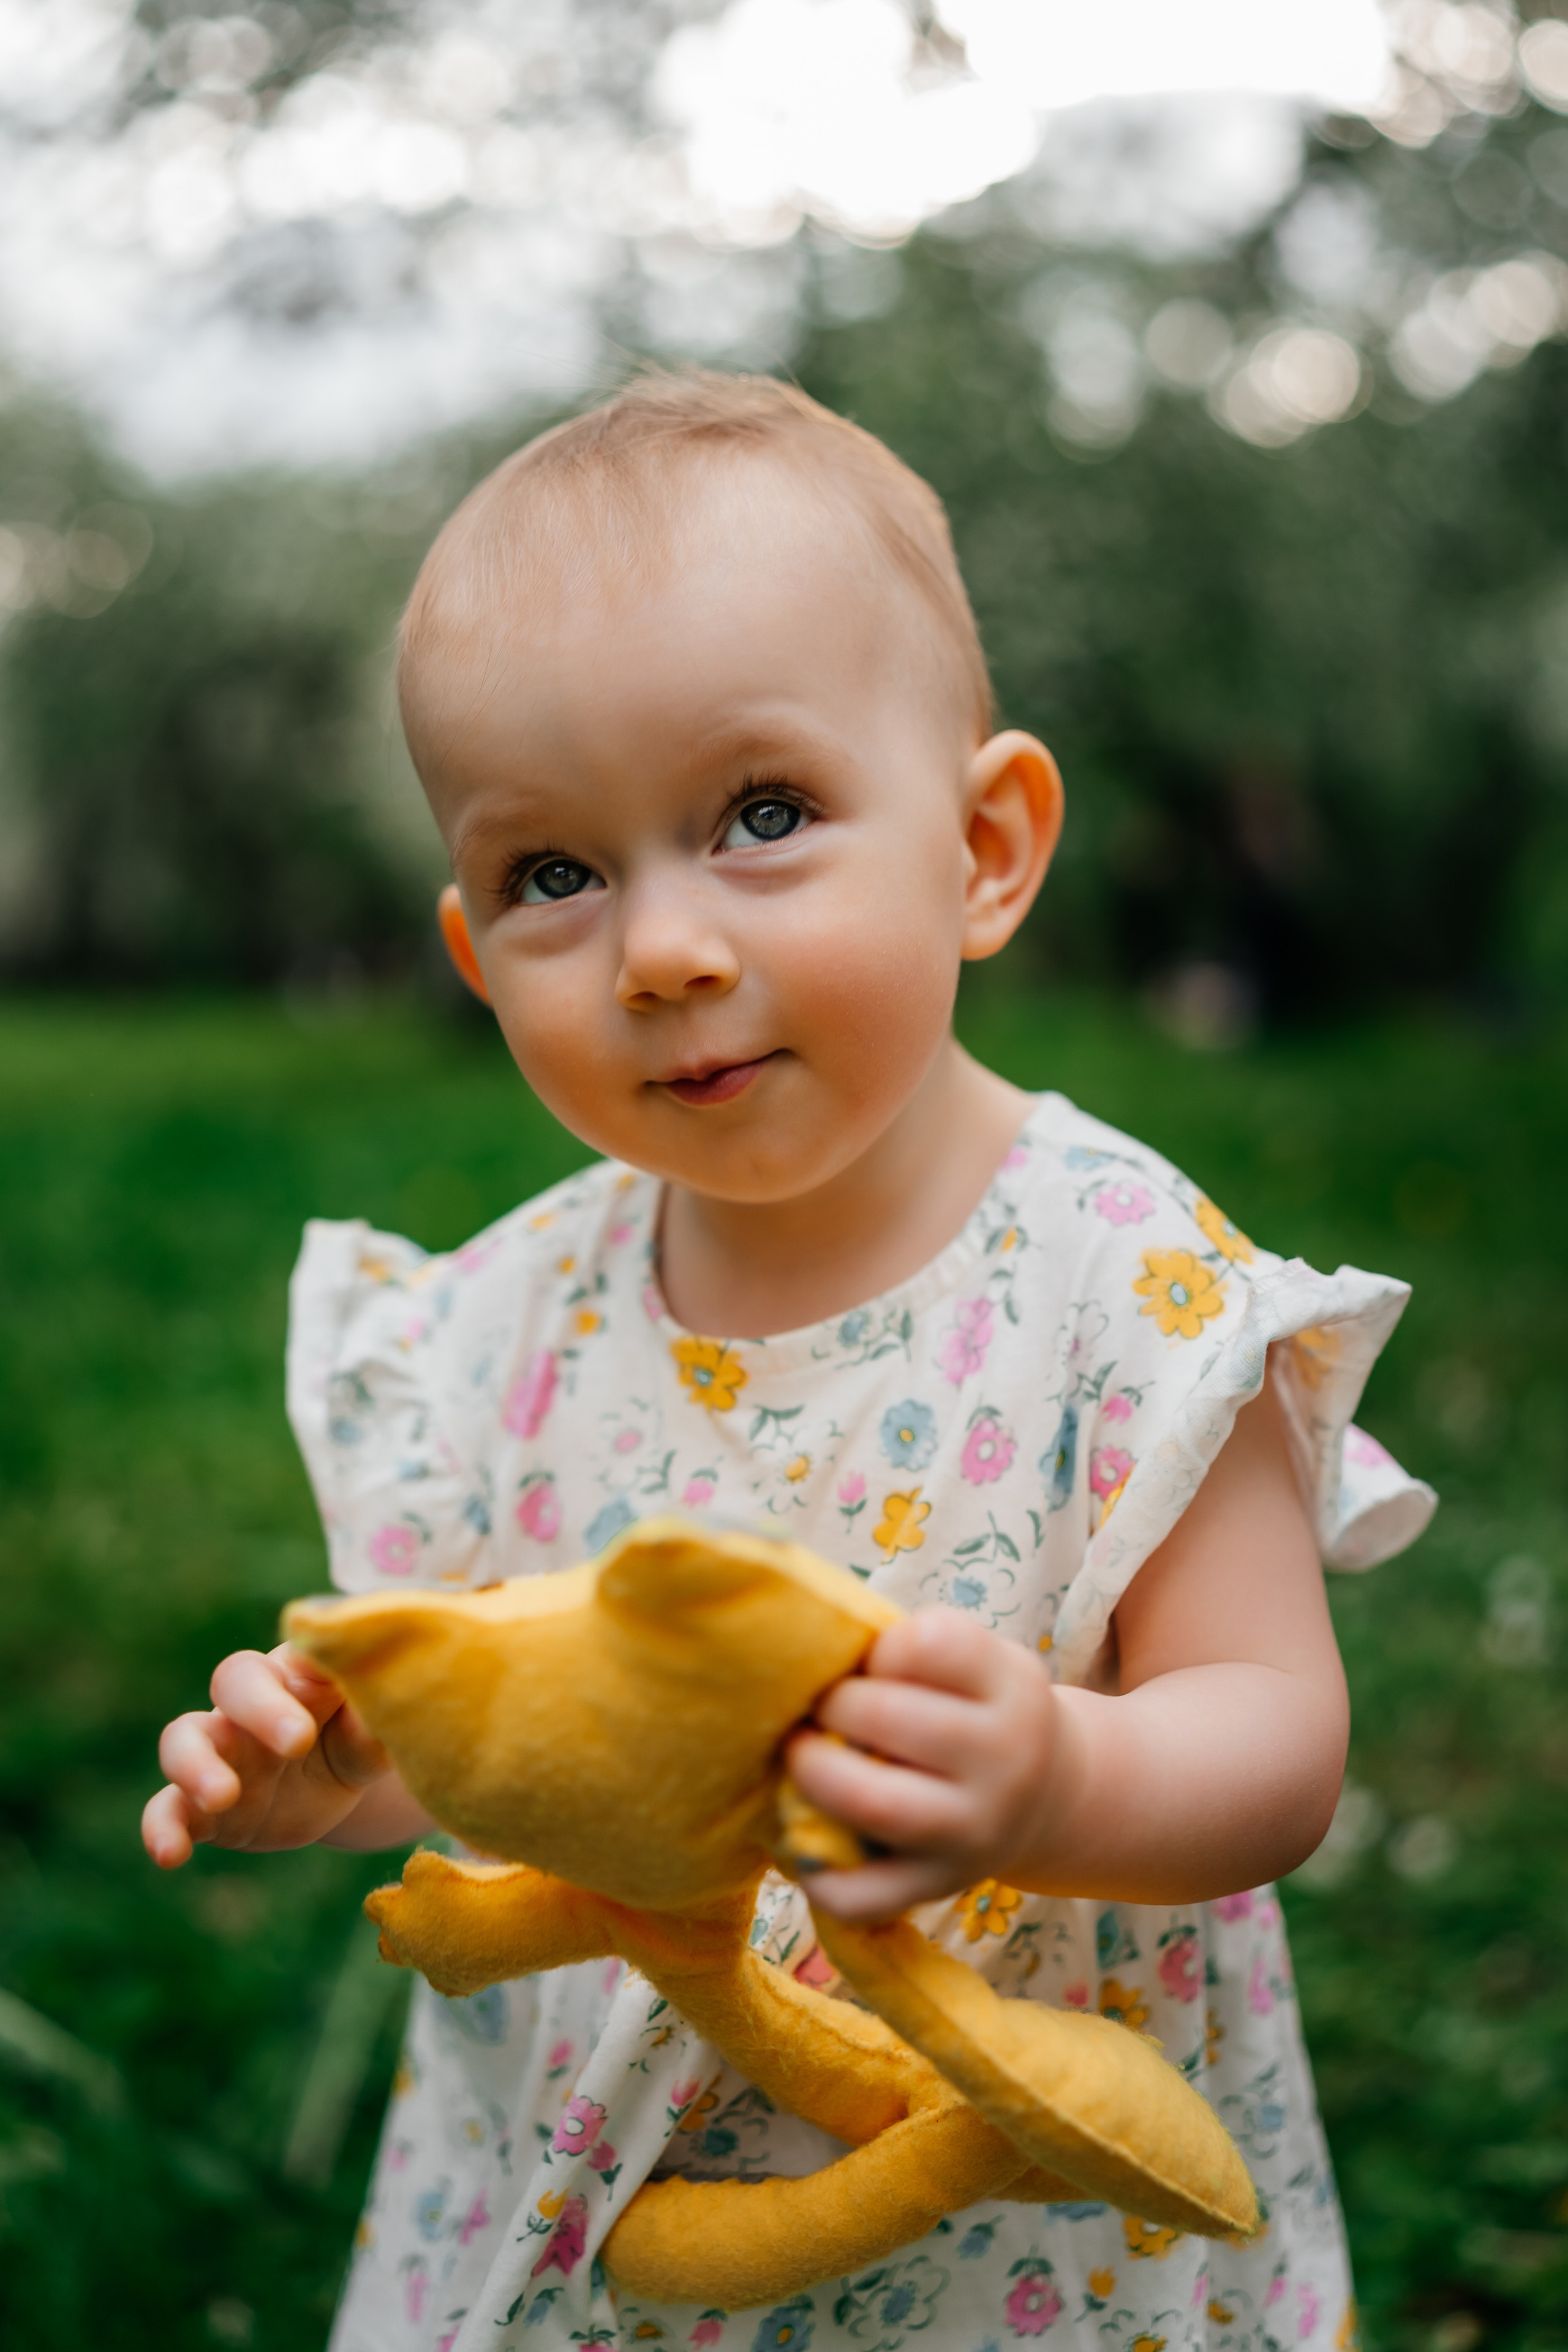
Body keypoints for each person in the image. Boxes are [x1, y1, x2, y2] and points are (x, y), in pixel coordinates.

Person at [142, 371, 1434, 2352]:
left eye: (762, 817)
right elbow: (507, 1733)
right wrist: (340, 1779)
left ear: (987, 846)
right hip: (611, 2204)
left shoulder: (1126, 1279)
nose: (658, 947)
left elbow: (1273, 1737)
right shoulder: (509, 1319)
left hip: (1007, 2233)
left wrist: (1060, 1774)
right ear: (479, 960)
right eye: (552, 875)